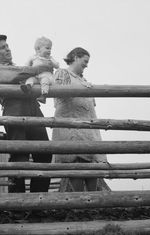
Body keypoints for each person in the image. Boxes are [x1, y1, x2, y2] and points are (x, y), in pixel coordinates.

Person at [0, 34, 52, 193]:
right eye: (2, 47)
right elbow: (15, 75)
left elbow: (29, 75)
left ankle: (38, 199)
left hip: (34, 109)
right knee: (19, 155)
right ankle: (18, 204)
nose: (7, 49)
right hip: (14, 110)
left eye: (7, 45)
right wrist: (38, 68)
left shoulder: (21, 67)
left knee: (44, 152)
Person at [52, 47, 110, 192]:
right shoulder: (63, 73)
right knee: (75, 164)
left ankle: (91, 205)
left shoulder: (84, 80)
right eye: (85, 61)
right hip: (71, 129)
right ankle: (79, 204)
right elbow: (60, 92)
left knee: (92, 167)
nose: (86, 65)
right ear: (76, 57)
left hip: (88, 131)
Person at [21, 36, 59, 104]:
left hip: (46, 76)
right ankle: (28, 87)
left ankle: (44, 95)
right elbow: (26, 66)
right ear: (38, 49)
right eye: (47, 48)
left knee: (45, 82)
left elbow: (57, 66)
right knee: (30, 79)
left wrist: (52, 62)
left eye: (50, 49)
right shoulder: (33, 57)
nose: (49, 50)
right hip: (36, 76)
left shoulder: (50, 58)